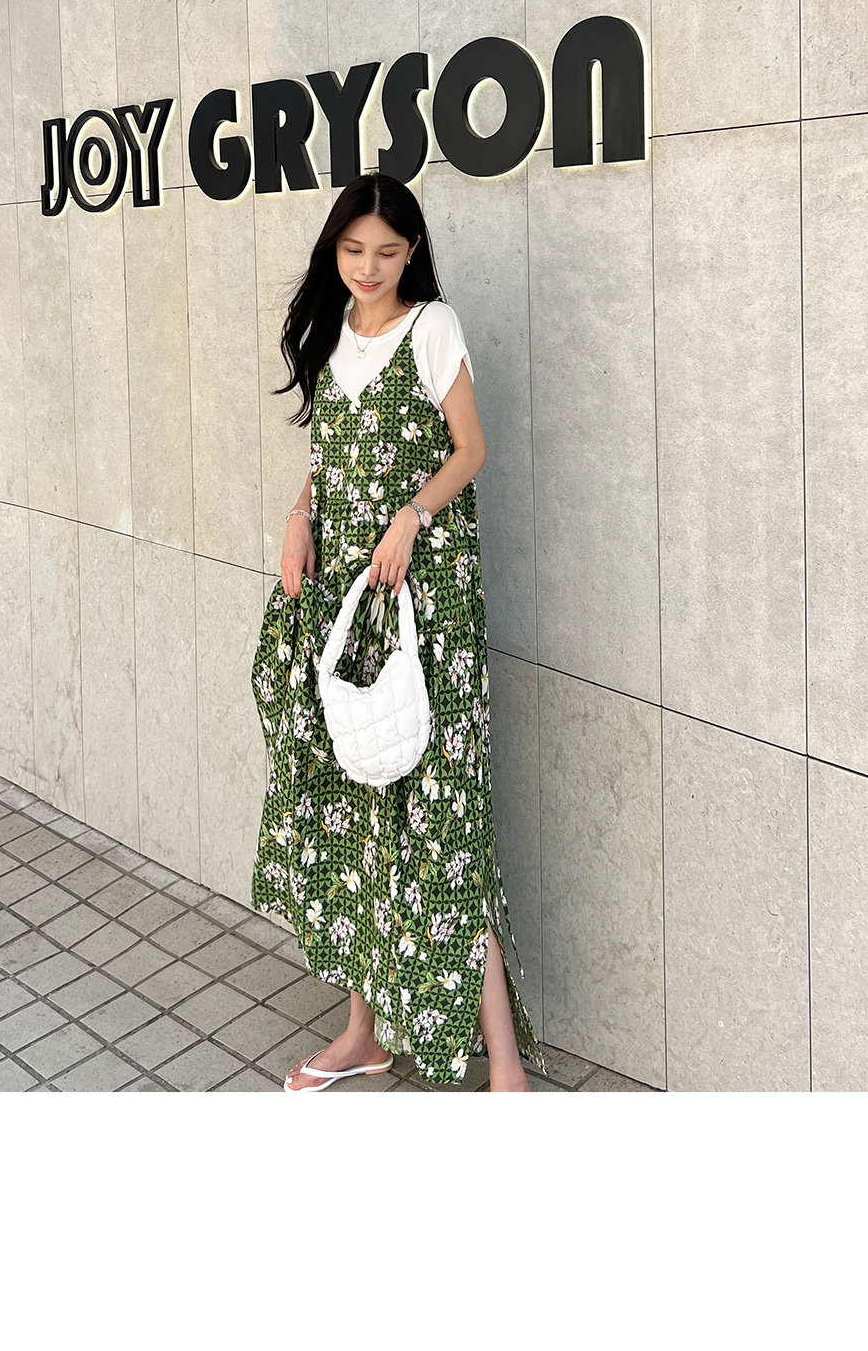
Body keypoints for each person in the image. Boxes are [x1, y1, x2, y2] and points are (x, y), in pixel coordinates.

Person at [250, 170, 544, 1092]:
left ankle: (505, 1069)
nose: (367, 267)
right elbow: (329, 456)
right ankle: (363, 1034)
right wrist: (299, 517)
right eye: (352, 250)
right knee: (362, 813)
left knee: (443, 816)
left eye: (385, 251)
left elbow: (472, 449)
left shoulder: (432, 328)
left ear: (412, 251)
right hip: (347, 598)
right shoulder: (332, 329)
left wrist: (412, 516)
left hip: (426, 603)